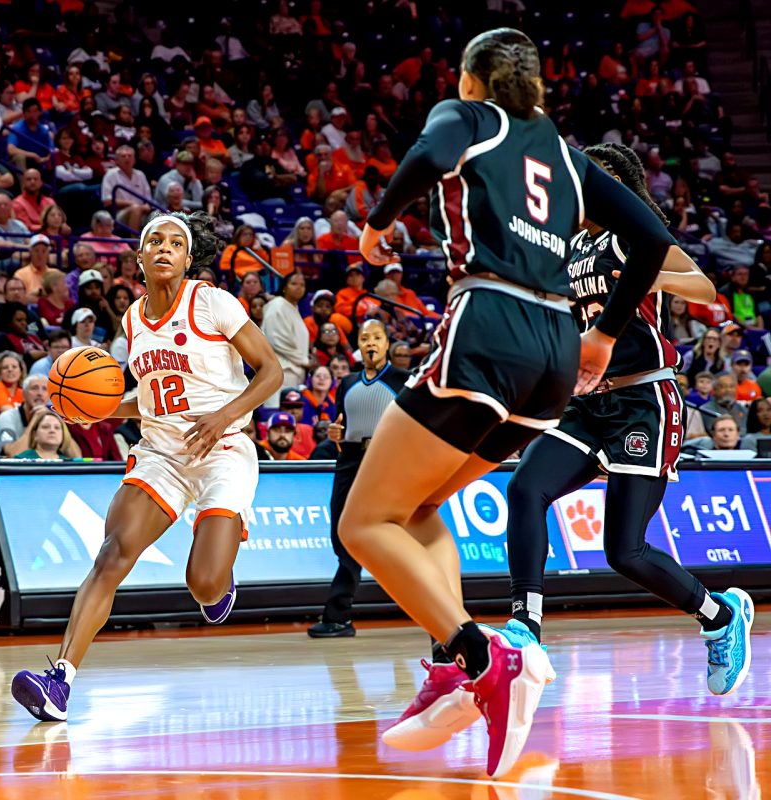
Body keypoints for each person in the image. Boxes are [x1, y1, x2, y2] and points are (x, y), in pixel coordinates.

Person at [340, 29, 700, 777]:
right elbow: (651, 233)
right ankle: (451, 660)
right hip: (557, 353)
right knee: (416, 508)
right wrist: (601, 334)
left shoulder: (469, 117)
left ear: (473, 80)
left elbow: (427, 160)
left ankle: (486, 659)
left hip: (490, 324)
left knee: (363, 522)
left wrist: (377, 226)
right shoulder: (567, 156)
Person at [12, 211, 283, 722]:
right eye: (153, 241)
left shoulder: (213, 302)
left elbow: (273, 371)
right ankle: (60, 681)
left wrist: (224, 414)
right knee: (112, 554)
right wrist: (96, 406)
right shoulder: (134, 319)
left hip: (222, 446)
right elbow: (151, 400)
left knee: (203, 583)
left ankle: (221, 574)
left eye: (174, 243)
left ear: (186, 258)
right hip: (161, 452)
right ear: (139, 257)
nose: (163, 248)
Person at [309, 320, 409, 638]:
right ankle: (340, 614)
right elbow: (342, 424)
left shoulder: (402, 380)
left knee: (386, 536)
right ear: (358, 344)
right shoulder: (348, 381)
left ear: (386, 343)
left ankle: (338, 613)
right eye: (364, 338)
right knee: (341, 532)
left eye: (377, 338)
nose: (370, 343)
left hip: (385, 458)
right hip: (349, 458)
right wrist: (337, 435)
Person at [261, 272, 310, 403]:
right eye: (294, 283)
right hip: (281, 372)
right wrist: (305, 360)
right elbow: (277, 340)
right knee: (277, 417)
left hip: (294, 372)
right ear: (284, 287)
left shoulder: (293, 308)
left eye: (302, 285)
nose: (298, 287)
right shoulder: (278, 305)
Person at [15, 409, 82, 460]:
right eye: (45, 427)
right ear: (35, 434)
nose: (52, 430)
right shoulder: (21, 459)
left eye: (57, 427)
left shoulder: (68, 463)